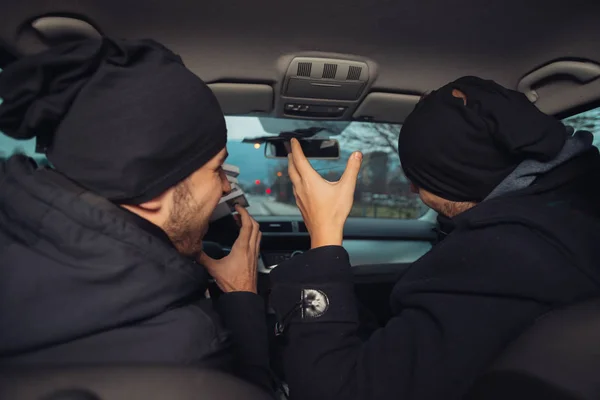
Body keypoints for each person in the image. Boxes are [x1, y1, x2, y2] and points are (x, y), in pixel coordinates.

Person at [269, 76, 600, 400]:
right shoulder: (567, 222)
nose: (412, 188)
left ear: (456, 177)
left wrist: (325, 233)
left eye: (418, 176)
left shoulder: (500, 259)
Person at [0, 38, 270, 393]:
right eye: (217, 168)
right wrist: (242, 296)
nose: (224, 187)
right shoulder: (185, 350)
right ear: (152, 191)